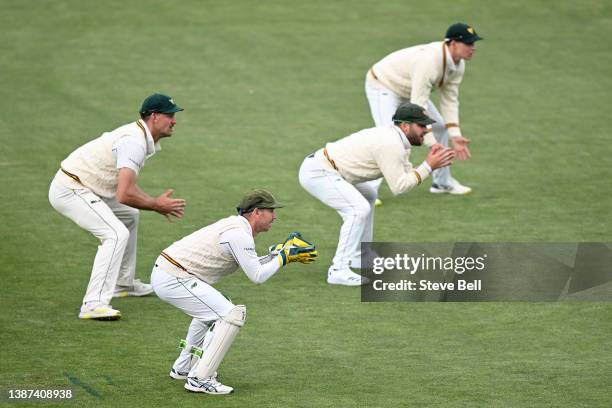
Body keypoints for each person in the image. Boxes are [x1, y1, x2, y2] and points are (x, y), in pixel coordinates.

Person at [151, 189, 317, 395]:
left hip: (172, 273)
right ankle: (200, 378)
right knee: (230, 314)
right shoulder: (238, 234)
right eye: (270, 211)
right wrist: (284, 257)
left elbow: (252, 264)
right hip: (174, 277)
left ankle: (184, 366)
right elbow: (257, 275)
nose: (274, 216)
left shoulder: (239, 229)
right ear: (257, 212)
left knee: (216, 307)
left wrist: (279, 254)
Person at [48, 93, 187, 321]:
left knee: (129, 216)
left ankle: (123, 283)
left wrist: (153, 203)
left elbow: (128, 189)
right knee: (114, 233)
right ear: (154, 117)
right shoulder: (134, 141)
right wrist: (156, 204)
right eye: (170, 115)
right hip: (71, 188)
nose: (174, 121)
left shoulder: (139, 137)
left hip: (88, 185)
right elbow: (124, 194)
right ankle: (93, 304)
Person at [298, 102, 454, 286]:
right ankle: (338, 270)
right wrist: (428, 166)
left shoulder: (400, 142)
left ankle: (360, 256)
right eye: (421, 125)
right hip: (319, 172)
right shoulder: (391, 144)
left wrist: (430, 161)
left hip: (331, 170)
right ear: (405, 126)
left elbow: (406, 176)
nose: (426, 131)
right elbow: (399, 187)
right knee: (358, 210)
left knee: (368, 196)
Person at [365, 22, 483, 202]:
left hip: (410, 89)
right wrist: (430, 142)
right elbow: (419, 107)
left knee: (441, 127)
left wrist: (455, 134)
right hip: (384, 84)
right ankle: (367, 191)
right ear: (452, 44)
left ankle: (441, 183)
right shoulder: (429, 62)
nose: (472, 48)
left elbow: (450, 100)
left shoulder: (458, 65)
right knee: (388, 138)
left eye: (473, 43)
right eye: (468, 43)